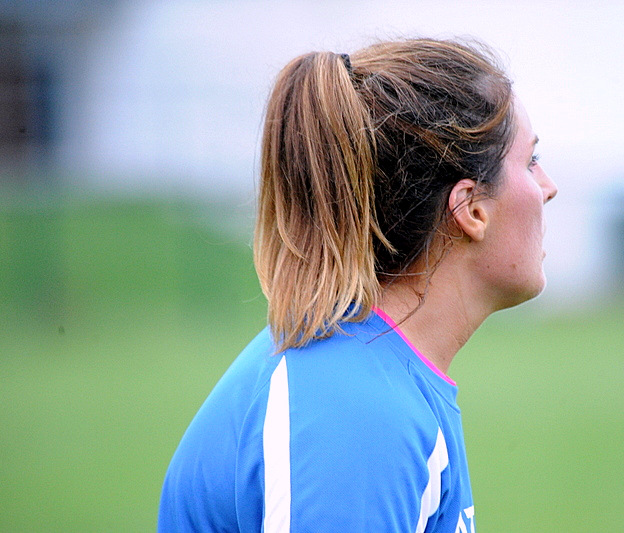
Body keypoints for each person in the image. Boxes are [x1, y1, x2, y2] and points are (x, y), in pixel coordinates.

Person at [158, 37, 557, 532]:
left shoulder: (375, 376)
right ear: (471, 209)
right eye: (531, 161)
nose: (548, 187)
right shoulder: (357, 411)